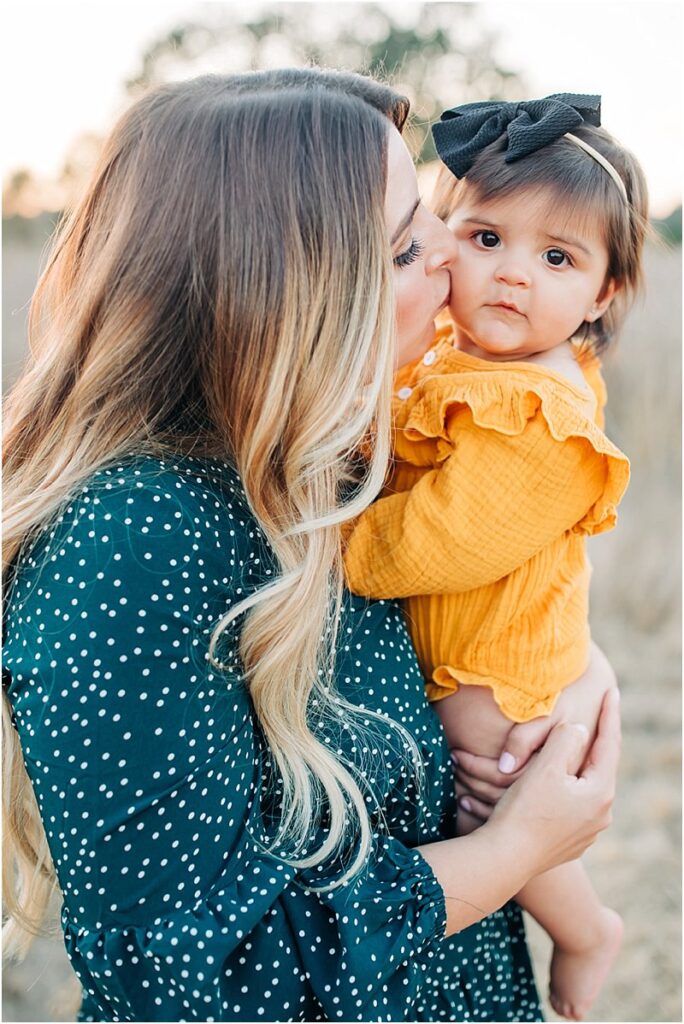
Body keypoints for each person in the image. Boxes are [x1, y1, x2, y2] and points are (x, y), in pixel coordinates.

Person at [2, 71, 620, 1023]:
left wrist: (579, 681)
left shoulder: (324, 465)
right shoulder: (128, 544)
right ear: (294, 292)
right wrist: (515, 852)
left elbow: (471, 603)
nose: (455, 271)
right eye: (415, 244)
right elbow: (196, 978)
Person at [344, 94, 647, 1021]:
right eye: (486, 240)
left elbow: (433, 542)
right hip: (478, 639)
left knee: (493, 798)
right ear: (440, 240)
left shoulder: (540, 421)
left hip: (500, 670)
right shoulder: (460, 355)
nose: (514, 276)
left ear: (601, 293)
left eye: (557, 258)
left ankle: (587, 924)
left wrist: (335, 544)